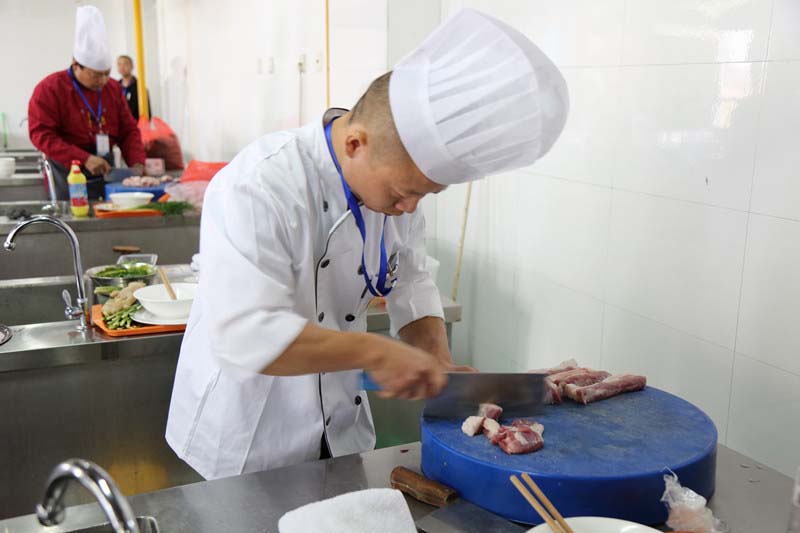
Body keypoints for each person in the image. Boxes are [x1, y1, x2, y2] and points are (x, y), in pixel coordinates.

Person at [165, 8, 569, 480]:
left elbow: (412, 282)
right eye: (402, 193)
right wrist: (376, 352)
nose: (409, 208)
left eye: (425, 194)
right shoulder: (258, 185)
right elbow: (245, 332)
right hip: (246, 441)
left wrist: (438, 361)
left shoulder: (399, 194)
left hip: (341, 432)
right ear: (355, 143)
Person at [28, 5, 145, 200]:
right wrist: (83, 158)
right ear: (76, 65)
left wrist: (137, 162)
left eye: (107, 74)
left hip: (105, 168)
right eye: (96, 75)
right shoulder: (50, 89)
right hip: (67, 170)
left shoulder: (113, 89)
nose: (103, 81)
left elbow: (128, 130)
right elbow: (41, 134)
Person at [117, 54, 151, 121]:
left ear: (132, 66)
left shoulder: (140, 87)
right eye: (119, 64)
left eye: (125, 64)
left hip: (135, 123)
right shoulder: (115, 86)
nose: (122, 67)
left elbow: (147, 111)